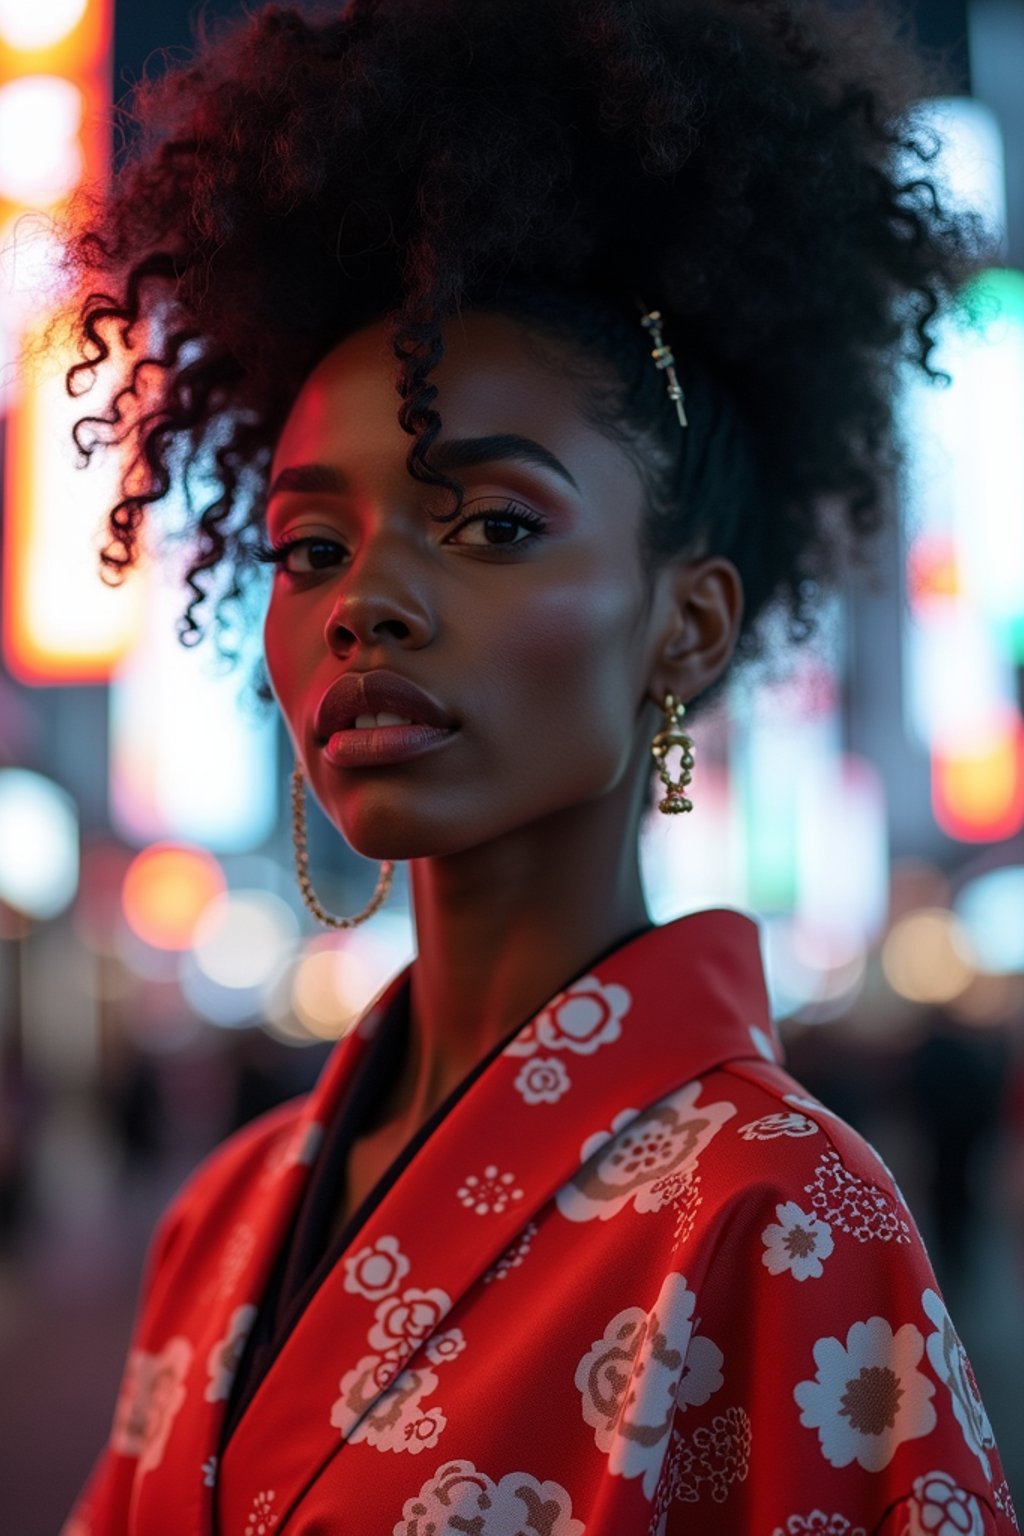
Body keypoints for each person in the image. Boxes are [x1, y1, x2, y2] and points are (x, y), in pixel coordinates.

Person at [57, 0, 1018, 1531]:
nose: (364, 601)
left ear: (686, 627)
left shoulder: (779, 1212)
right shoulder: (220, 1216)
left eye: (495, 523)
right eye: (310, 546)